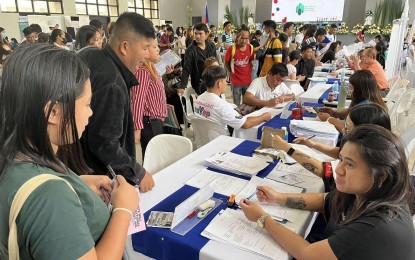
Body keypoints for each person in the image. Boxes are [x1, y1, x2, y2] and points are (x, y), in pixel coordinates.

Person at [0, 44, 139, 259]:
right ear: (53, 112)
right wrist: (124, 209)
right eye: (86, 104)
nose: (90, 113)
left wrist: (76, 185)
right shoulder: (50, 196)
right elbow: (47, 202)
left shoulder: (14, 155)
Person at [240, 125, 415, 260]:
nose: (339, 170)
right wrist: (278, 198)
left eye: (350, 164)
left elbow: (306, 254)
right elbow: (326, 200)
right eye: (341, 160)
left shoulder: (376, 227)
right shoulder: (371, 192)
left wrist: (262, 218)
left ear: (381, 175)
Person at [78, 12, 155, 192]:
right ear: (125, 47)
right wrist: (137, 171)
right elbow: (105, 142)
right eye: (145, 48)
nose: (147, 56)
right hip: (98, 178)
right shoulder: (112, 82)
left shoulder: (90, 54)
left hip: (79, 169)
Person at [273, 103, 392, 179]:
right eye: (345, 126)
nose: (344, 132)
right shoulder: (372, 148)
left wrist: (287, 148)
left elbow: (324, 171)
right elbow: (339, 152)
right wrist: (312, 144)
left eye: (348, 129)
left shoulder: (366, 160)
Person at [194, 65, 271, 135]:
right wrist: (263, 117)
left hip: (204, 142)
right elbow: (245, 124)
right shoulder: (222, 106)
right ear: (219, 84)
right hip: (222, 142)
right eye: (226, 81)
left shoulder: (198, 99)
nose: (226, 84)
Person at [132, 37, 170, 157]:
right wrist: (137, 129)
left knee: (158, 158)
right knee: (153, 159)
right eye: (154, 47)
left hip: (156, 121)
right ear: (145, 51)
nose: (158, 49)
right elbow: (137, 101)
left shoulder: (152, 69)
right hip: (149, 123)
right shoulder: (143, 72)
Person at [317, 70, 387, 132]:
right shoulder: (369, 102)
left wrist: (329, 119)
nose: (349, 91)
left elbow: (348, 130)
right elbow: (350, 111)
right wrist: (334, 113)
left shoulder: (366, 109)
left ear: (360, 90)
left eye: (351, 88)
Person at [180, 23, 216, 95]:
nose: (197, 36)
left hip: (213, 80)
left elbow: (215, 62)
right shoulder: (190, 50)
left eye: (200, 33)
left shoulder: (211, 46)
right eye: (195, 33)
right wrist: (182, 86)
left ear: (206, 34)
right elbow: (186, 69)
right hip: (199, 83)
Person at [224, 25, 255, 105]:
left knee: (246, 103)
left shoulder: (250, 48)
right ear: (237, 37)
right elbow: (226, 62)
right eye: (242, 38)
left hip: (247, 80)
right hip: (236, 81)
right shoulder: (231, 49)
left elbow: (251, 60)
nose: (244, 40)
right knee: (236, 104)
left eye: (246, 38)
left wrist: (252, 65)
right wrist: (231, 72)